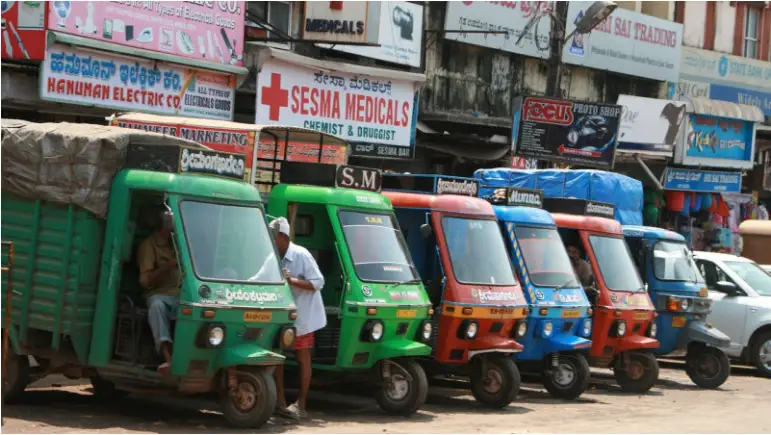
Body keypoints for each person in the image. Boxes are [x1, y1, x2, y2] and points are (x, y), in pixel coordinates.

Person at [270, 217, 326, 420]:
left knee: (303, 359)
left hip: (303, 317)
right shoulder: (274, 255)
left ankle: (301, 404)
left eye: (273, 237)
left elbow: (318, 282)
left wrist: (291, 281)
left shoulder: (301, 255)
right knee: (277, 357)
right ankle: (280, 402)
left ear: (282, 237)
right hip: (283, 315)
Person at [136, 207, 180, 374]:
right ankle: (167, 355)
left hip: (182, 294)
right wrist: (167, 267)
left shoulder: (178, 243)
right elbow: (145, 281)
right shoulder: (149, 245)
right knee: (157, 306)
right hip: (161, 294)